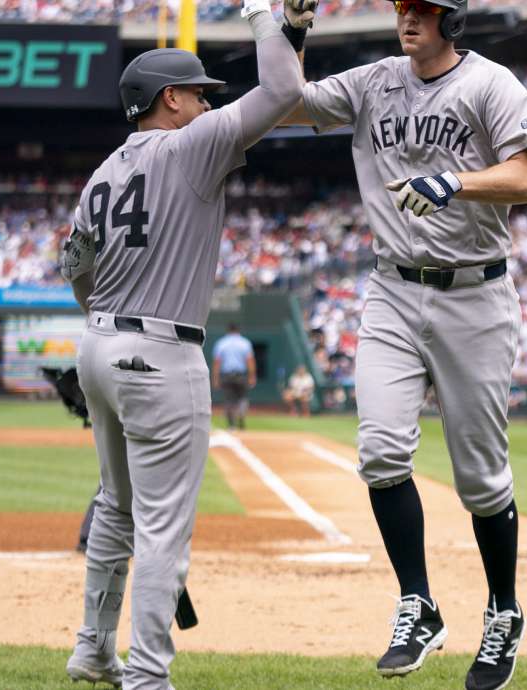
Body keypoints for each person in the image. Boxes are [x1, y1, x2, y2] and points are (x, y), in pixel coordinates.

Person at [282, 1, 527, 687]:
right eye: (403, 7)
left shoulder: (493, 85)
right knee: (379, 452)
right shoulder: (373, 82)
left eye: (424, 10)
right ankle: (418, 603)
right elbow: (287, 102)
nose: (410, 19)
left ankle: (504, 613)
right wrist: (288, 31)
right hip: (392, 290)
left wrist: (454, 181)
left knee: (482, 477)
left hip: (476, 296)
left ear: (452, 21)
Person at [56, 0, 309, 686]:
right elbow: (284, 92)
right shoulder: (192, 145)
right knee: (162, 525)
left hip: (99, 344)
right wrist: (268, 21)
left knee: (115, 506)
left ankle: (92, 648)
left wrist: (105, 319)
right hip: (161, 354)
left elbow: (74, 269)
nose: (206, 105)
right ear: (170, 98)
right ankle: (147, 675)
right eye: (198, 93)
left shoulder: (103, 172)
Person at [211, 323, 257, 429]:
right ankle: (241, 415)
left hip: (227, 375)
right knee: (242, 398)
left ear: (228, 330)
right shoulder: (245, 343)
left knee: (229, 400)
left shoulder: (221, 343)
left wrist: (215, 378)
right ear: (238, 330)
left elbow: (217, 362)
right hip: (240, 375)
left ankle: (231, 424)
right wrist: (252, 376)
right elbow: (250, 361)